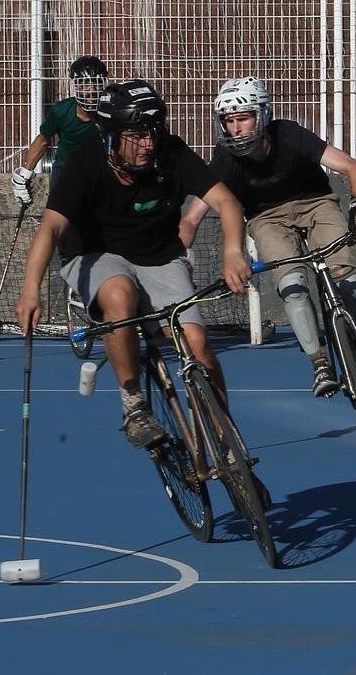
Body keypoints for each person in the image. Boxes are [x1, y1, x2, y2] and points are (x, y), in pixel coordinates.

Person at [16, 79, 252, 449]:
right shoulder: (85, 160)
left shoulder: (170, 154)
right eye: (136, 135)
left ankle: (227, 441)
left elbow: (228, 203)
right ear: (111, 134)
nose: (148, 144)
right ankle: (134, 404)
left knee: (199, 344)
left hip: (158, 256)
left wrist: (233, 252)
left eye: (153, 133)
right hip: (94, 255)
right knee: (120, 297)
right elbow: (50, 229)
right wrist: (30, 291)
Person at [180, 76, 356, 398]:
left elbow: (352, 167)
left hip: (317, 205)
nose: (236, 129)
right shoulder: (226, 158)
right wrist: (176, 255)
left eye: (242, 118)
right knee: (293, 287)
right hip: (266, 219)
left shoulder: (289, 135)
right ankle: (319, 363)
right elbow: (192, 216)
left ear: (262, 115)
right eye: (228, 121)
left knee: (349, 279)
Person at [11, 56, 109, 205]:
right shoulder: (61, 111)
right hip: (66, 171)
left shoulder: (110, 112)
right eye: (84, 85)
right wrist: (24, 175)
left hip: (99, 171)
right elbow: (43, 140)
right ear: (75, 86)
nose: (91, 91)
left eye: (96, 84)